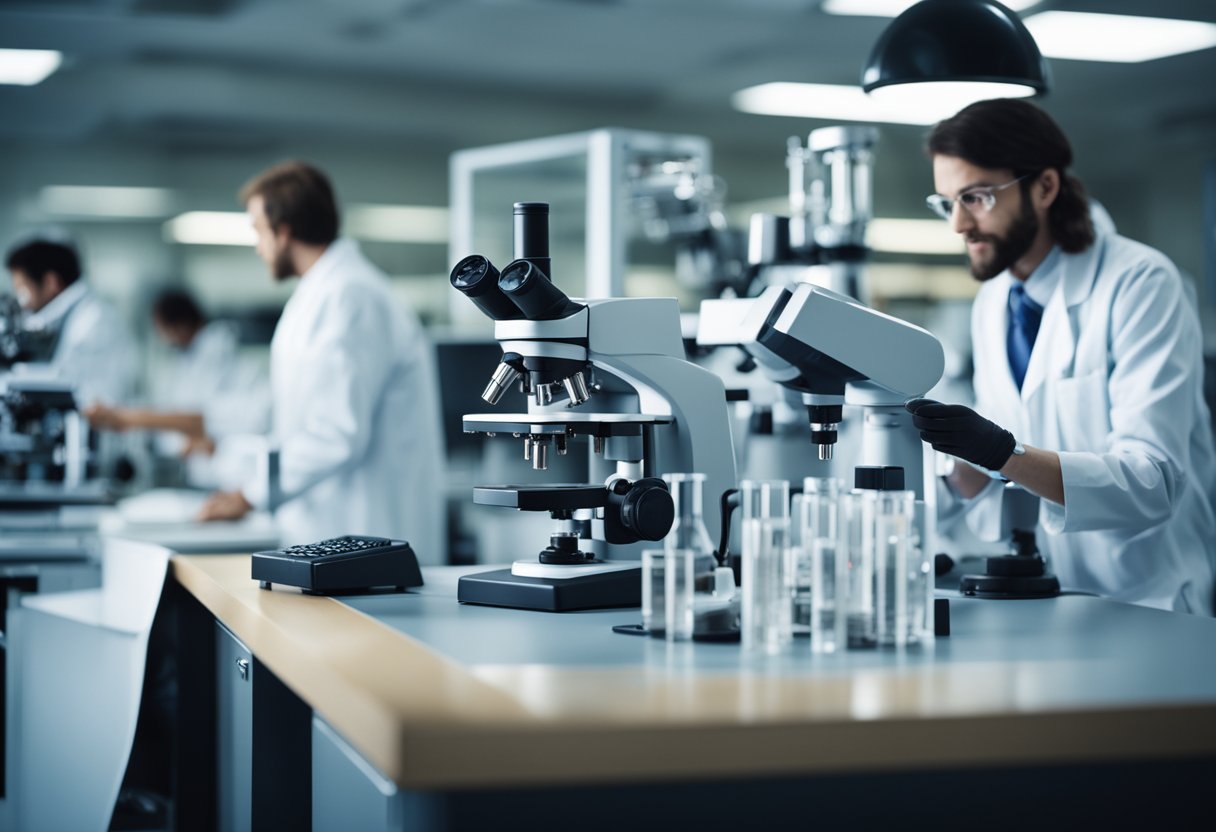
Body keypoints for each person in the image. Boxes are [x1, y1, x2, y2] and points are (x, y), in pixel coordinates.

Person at [908, 98, 1215, 615]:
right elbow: (1013, 459)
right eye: (947, 203)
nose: (958, 225)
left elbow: (1153, 481)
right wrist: (962, 467)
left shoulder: (1142, 283)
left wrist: (1001, 452)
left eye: (977, 197)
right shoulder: (993, 303)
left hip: (1155, 599)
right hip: (1063, 599)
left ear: (1045, 187)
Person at [196, 161, 445, 561]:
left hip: (368, 532)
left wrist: (250, 494)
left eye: (259, 232)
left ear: (285, 231)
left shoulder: (350, 296)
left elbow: (336, 432)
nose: (258, 247)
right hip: (332, 530)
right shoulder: (324, 293)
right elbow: (301, 420)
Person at [85, 288, 270, 484]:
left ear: (178, 326)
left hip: (233, 474)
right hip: (210, 473)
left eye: (163, 330)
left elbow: (204, 418)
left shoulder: (218, 356)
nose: (164, 339)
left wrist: (125, 418)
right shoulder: (190, 359)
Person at [5, 237, 136, 406]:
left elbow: (97, 402)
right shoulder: (75, 317)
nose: (23, 302)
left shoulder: (94, 322)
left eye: (23, 290)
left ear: (51, 282)